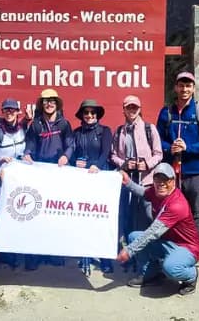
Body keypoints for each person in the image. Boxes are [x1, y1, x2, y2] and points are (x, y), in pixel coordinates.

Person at [116, 162, 199, 296]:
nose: (161, 183)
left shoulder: (177, 205)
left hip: (187, 248)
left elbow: (152, 233)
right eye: (157, 179)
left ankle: (192, 275)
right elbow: (144, 192)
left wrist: (129, 250)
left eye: (165, 180)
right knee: (134, 236)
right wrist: (128, 182)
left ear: (173, 181)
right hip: (167, 241)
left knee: (171, 268)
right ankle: (151, 274)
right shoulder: (157, 192)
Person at [156, 71, 199, 237]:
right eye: (181, 85)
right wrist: (170, 148)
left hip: (195, 171)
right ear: (176, 88)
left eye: (188, 86)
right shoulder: (166, 112)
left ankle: (193, 251)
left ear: (193, 88)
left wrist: (187, 148)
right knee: (170, 211)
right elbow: (157, 140)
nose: (184, 89)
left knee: (195, 213)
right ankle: (173, 247)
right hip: (170, 172)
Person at [22, 88, 74, 269]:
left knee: (55, 214)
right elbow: (29, 144)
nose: (49, 103)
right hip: (40, 173)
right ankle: (34, 255)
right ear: (41, 104)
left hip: (58, 174)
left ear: (57, 103)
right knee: (37, 214)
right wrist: (27, 154)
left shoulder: (64, 124)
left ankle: (54, 253)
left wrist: (66, 156)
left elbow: (70, 144)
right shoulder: (36, 125)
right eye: (45, 101)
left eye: (52, 100)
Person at [110, 95, 163, 239]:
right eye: (129, 107)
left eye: (135, 107)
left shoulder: (149, 129)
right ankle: (128, 252)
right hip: (127, 182)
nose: (132, 110)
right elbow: (113, 155)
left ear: (140, 109)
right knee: (127, 216)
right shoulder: (120, 131)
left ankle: (149, 252)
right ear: (124, 110)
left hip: (146, 181)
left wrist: (146, 164)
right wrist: (125, 164)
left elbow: (158, 154)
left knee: (147, 217)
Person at [71, 99, 114, 275]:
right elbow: (72, 154)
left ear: (97, 115)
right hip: (82, 180)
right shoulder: (76, 133)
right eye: (86, 112)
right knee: (83, 217)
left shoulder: (105, 131)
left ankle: (105, 258)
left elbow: (106, 153)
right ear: (82, 114)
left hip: (100, 178)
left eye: (92, 113)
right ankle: (84, 256)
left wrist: (96, 164)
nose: (89, 115)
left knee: (101, 219)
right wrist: (76, 163)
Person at [0, 97, 28, 268]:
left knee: (16, 215)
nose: (10, 113)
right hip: (2, 181)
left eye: (13, 110)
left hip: (19, 180)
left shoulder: (22, 130)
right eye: (7, 110)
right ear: (2, 112)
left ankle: (10, 252)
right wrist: (1, 160)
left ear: (18, 112)